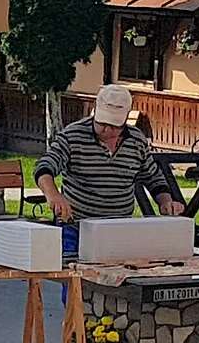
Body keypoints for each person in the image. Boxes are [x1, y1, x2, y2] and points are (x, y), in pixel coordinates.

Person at [34, 83, 184, 258]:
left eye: (113, 125)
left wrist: (165, 202)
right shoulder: (73, 136)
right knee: (77, 282)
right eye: (101, 123)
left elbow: (153, 177)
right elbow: (44, 167)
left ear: (125, 120)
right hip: (76, 228)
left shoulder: (137, 141)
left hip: (120, 230)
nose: (106, 129)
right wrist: (53, 195)